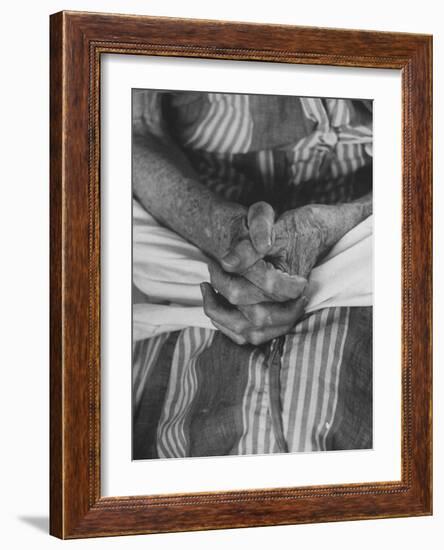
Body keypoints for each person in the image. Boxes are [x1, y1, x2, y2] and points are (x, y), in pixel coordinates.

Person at [132, 90, 373, 458]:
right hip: (184, 220)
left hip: (374, 225)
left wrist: (350, 219)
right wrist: (219, 231)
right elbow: (135, 125)